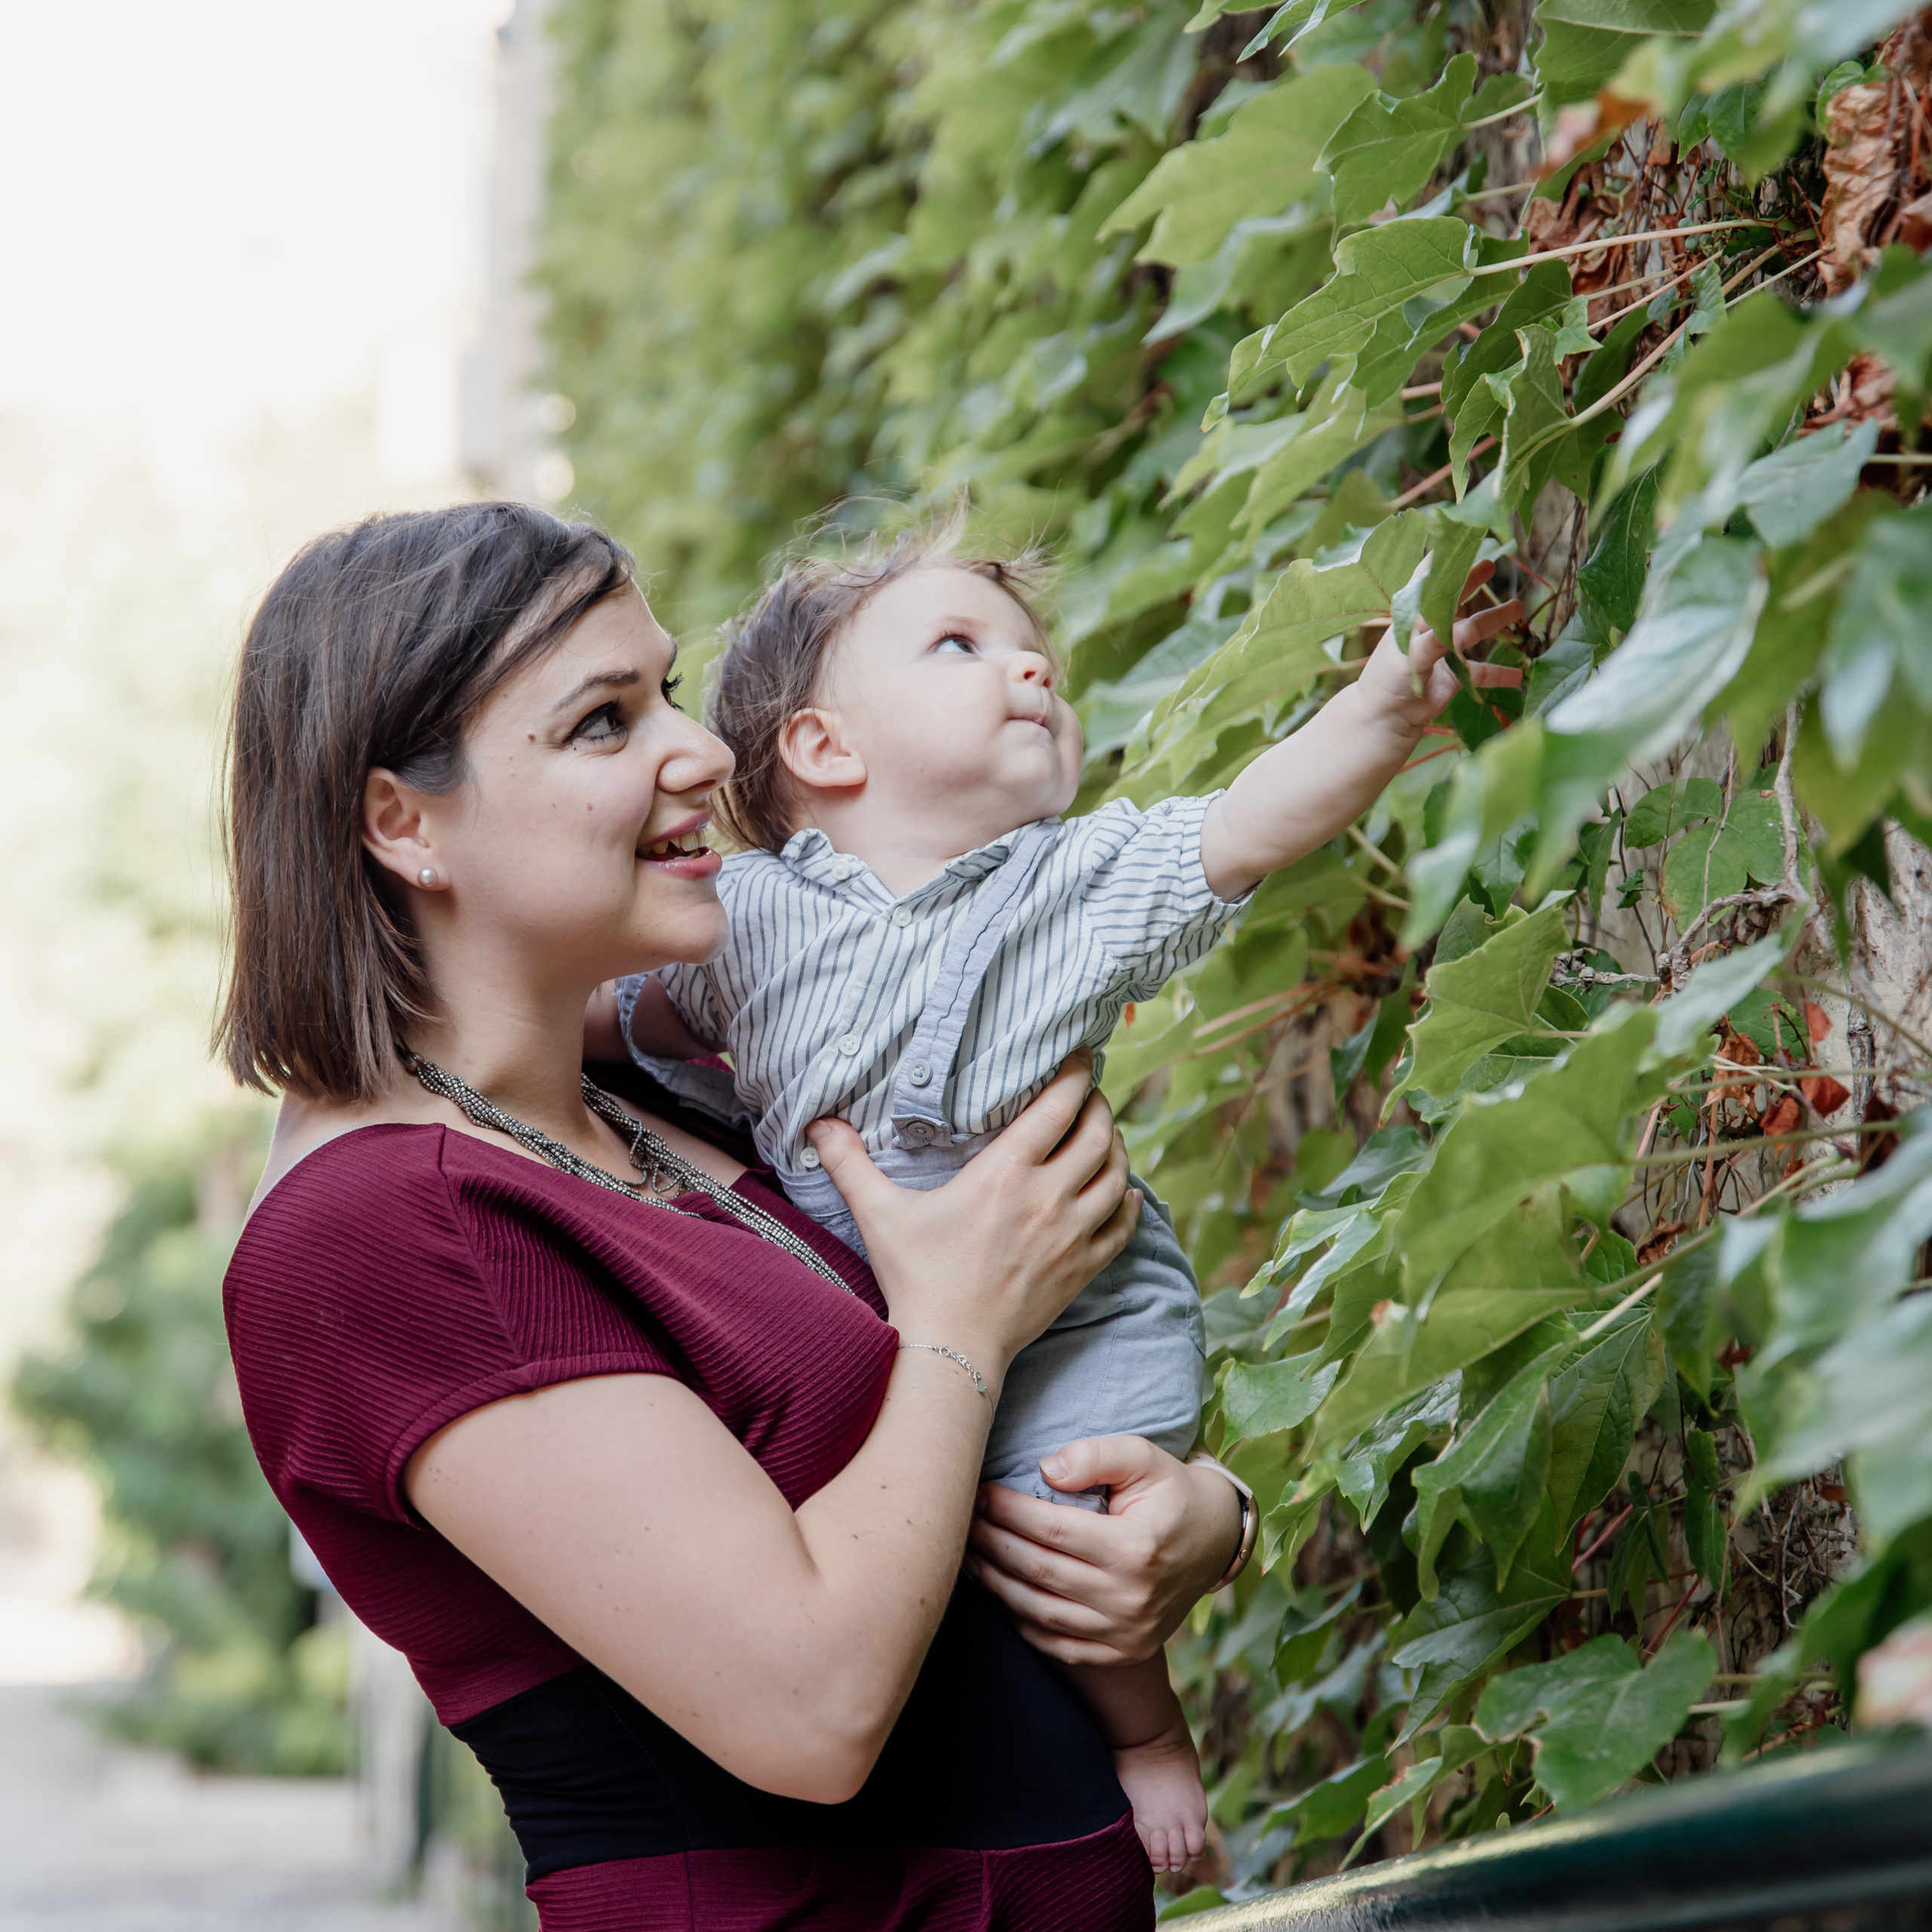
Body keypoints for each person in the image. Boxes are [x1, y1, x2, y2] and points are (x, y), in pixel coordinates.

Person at [216, 501, 1251, 1932]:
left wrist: (1199, 1525)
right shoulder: (385, 1232)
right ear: (403, 820)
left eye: (672, 693)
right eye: (603, 721)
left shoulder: (665, 1100)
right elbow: (810, 1708)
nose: (701, 751)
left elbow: (934, 1477)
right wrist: (962, 1324)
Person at [595, 521, 1523, 1869]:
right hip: (887, 1314)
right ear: (822, 750)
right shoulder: (740, 916)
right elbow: (624, 1016)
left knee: (1073, 1511)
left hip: (1082, 1308)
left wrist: (1381, 708)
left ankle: (1147, 1736)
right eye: (962, 648)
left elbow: (1246, 820)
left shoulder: (1075, 884)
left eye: (1036, 655)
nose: (1030, 672)